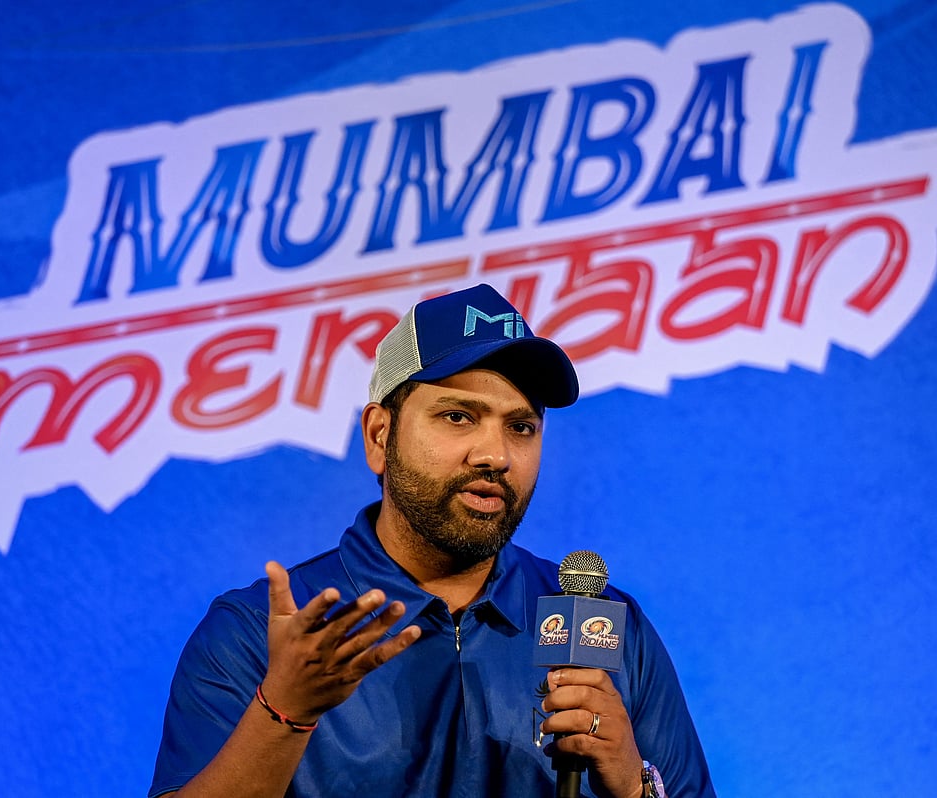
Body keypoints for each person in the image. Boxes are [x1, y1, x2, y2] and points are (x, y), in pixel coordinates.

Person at [149, 284, 716, 798]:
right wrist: (285, 712)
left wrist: (634, 788)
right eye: (457, 416)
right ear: (379, 435)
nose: (495, 455)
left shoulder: (603, 622)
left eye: (520, 427)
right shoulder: (261, 629)